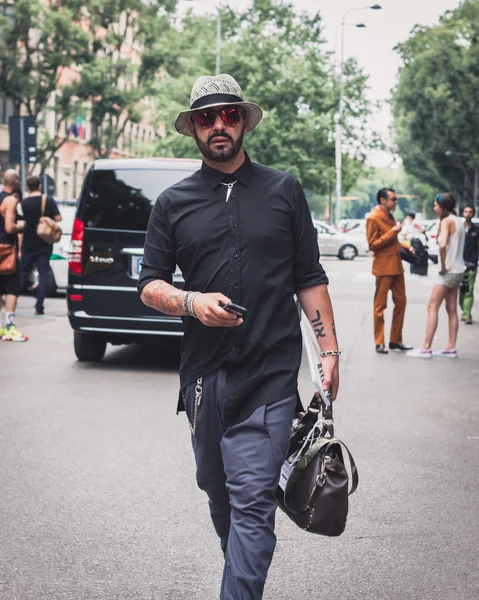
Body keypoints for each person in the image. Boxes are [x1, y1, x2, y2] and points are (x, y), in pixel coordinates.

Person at [138, 73, 340, 600]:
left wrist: (329, 351)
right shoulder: (173, 203)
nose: (219, 125)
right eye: (207, 117)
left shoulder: (284, 190)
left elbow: (309, 278)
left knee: (252, 500)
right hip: (205, 380)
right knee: (219, 494)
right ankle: (242, 578)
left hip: (270, 375)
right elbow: (150, 285)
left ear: (244, 121)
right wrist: (191, 303)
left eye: (229, 114)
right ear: (194, 130)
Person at [407, 193, 466, 359]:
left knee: (432, 307)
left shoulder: (446, 221)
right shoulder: (459, 220)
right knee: (452, 309)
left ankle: (426, 347)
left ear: (443, 207)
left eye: (435, 205)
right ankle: (451, 347)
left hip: (448, 271)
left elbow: (442, 244)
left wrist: (443, 264)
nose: (434, 208)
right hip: (459, 270)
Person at [366, 188, 412, 354]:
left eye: (396, 199)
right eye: (393, 199)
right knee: (380, 306)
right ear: (383, 200)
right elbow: (372, 244)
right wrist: (391, 233)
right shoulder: (373, 217)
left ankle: (395, 340)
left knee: (401, 303)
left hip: (397, 266)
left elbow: (394, 242)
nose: (396, 202)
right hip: (384, 267)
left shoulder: (390, 216)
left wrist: (408, 246)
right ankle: (379, 342)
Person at [20, 175, 62, 315]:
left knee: (23, 272)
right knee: (43, 273)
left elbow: (20, 223)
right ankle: (40, 305)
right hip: (44, 243)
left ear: (27, 187)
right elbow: (58, 218)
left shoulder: (24, 203)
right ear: (40, 186)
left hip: (28, 243)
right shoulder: (48, 200)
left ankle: (24, 292)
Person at [0, 169, 27, 341]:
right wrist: (21, 226)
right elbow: (10, 227)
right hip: (6, 248)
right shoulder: (11, 200)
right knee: (13, 286)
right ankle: (9, 326)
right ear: (16, 182)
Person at [460, 205, 478, 324]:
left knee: (469, 290)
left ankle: (467, 314)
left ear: (474, 213)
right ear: (463, 213)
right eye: (466, 212)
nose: (468, 214)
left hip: (472, 263)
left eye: (470, 212)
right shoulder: (459, 228)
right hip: (458, 264)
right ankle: (463, 309)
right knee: (461, 289)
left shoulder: (477, 230)